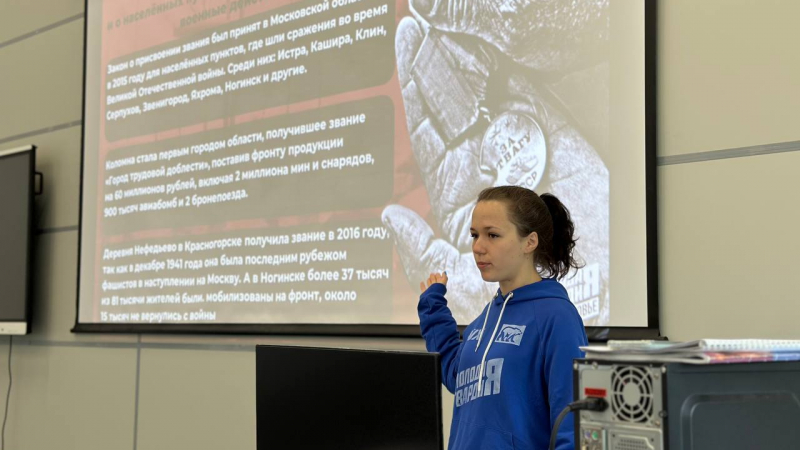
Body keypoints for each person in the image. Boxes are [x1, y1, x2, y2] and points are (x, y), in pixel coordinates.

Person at [418, 185, 588, 450]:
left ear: (530, 242)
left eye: (493, 235)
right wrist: (433, 311)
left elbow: (571, 424)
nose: (478, 247)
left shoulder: (557, 317)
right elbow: (456, 375)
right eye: (475, 235)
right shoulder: (483, 321)